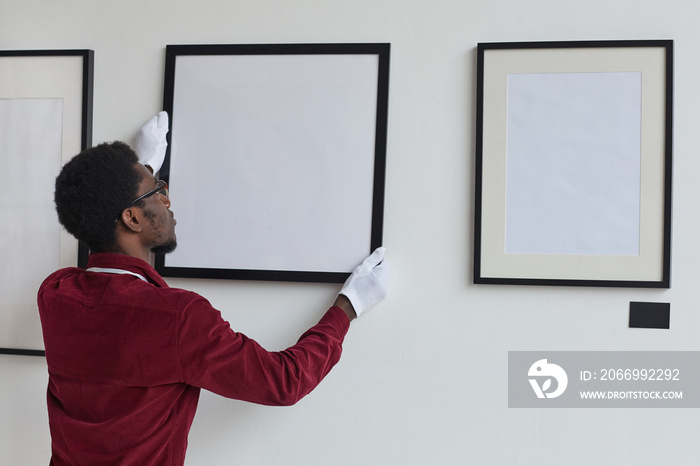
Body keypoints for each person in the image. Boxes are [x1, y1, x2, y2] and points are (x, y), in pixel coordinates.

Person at [37, 113, 390, 465]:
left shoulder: (54, 294)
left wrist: (143, 173)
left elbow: (122, 273)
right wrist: (350, 303)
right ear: (132, 218)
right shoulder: (178, 318)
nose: (168, 200)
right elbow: (283, 381)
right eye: (159, 191)